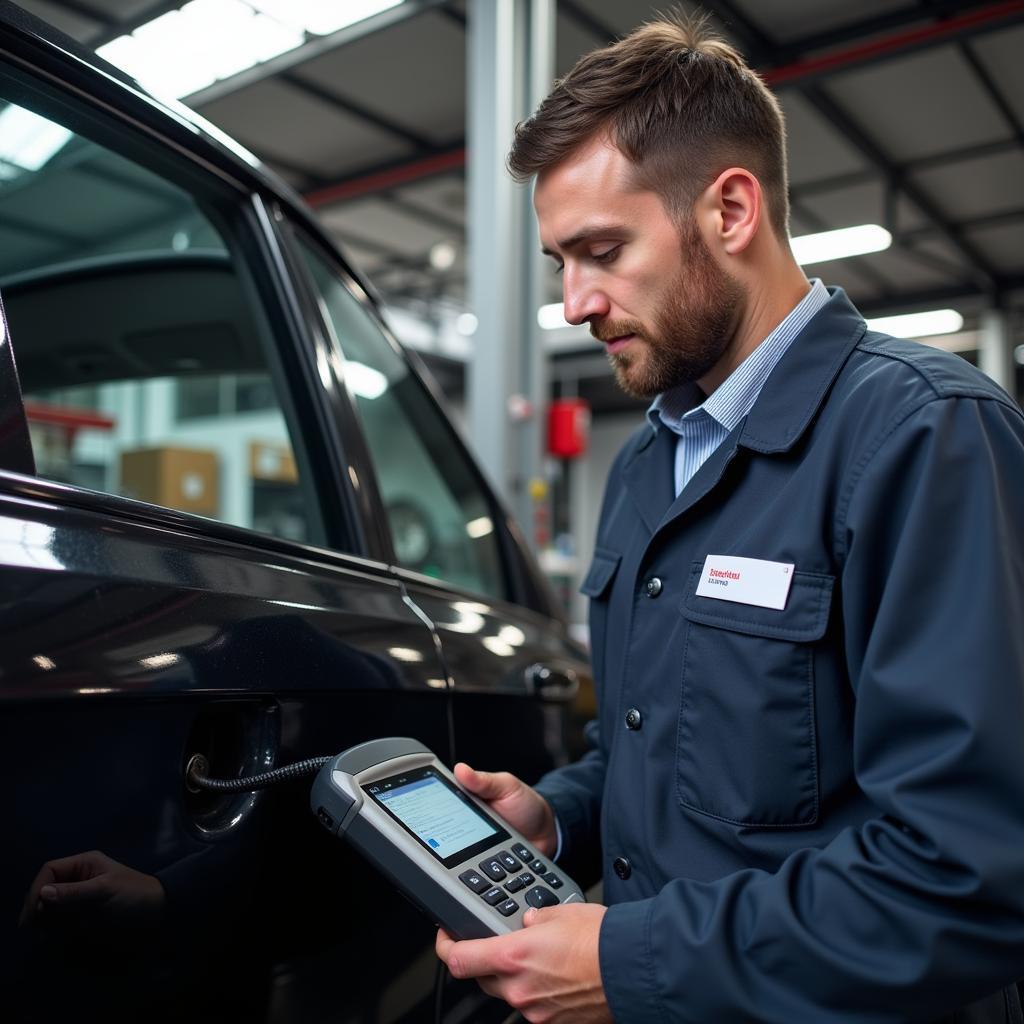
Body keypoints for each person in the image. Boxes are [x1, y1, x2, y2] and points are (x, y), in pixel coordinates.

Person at [434, 10, 1024, 1024]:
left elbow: (966, 875)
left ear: (731, 211)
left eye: (602, 250)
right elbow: (655, 755)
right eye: (559, 263)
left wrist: (635, 961)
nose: (575, 302)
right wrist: (558, 816)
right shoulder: (645, 464)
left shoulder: (924, 437)